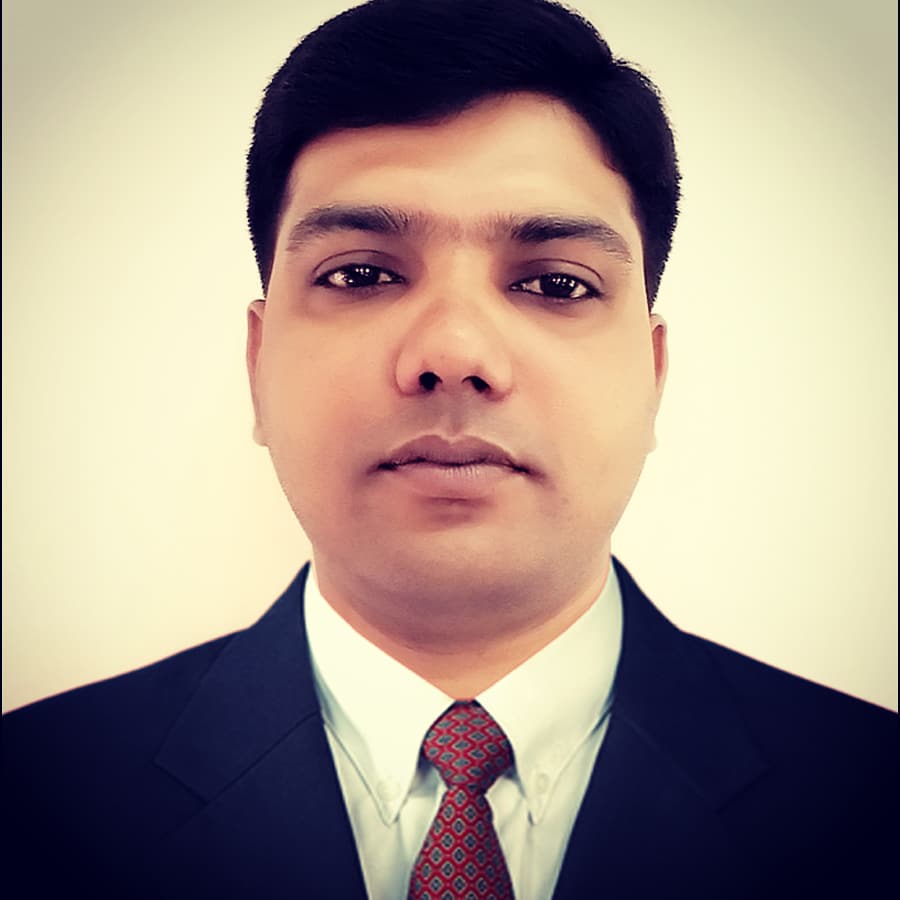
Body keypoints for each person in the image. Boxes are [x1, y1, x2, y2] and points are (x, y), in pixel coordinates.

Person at [3, 1, 896, 898]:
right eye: (361, 274)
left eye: (556, 284)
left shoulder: (870, 797)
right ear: (258, 364)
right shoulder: (32, 798)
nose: (455, 352)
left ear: (654, 375)